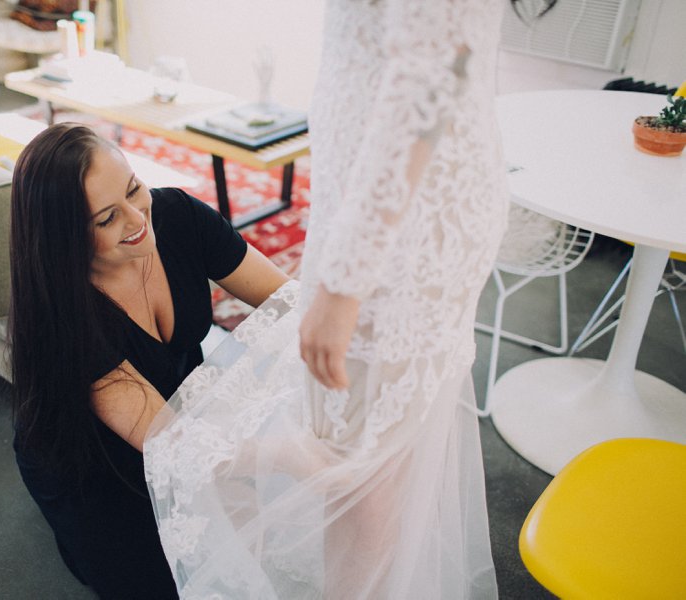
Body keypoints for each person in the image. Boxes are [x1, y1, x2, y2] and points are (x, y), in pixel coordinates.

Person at [144, 1, 507, 598]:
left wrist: (342, 284)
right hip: (379, 216)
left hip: (395, 237)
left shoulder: (363, 262)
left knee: (356, 465)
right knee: (373, 452)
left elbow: (432, 73)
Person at [6, 123, 288, 598]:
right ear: (65, 239)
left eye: (134, 188)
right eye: (106, 219)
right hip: (95, 467)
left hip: (177, 409)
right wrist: (291, 455)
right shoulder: (66, 319)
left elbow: (287, 301)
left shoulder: (177, 215)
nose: (137, 220)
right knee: (185, 579)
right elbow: (177, 445)